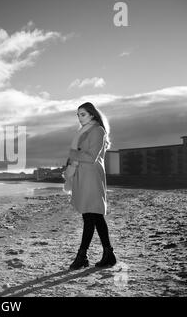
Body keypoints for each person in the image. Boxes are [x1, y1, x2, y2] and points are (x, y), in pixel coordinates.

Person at [63, 102, 116, 270]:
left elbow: (92, 156)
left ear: (92, 114)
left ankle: (82, 256)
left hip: (91, 176)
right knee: (94, 216)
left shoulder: (97, 131)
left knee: (90, 215)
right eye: (78, 115)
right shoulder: (84, 132)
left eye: (83, 114)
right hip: (83, 176)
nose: (79, 118)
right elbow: (81, 155)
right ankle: (108, 254)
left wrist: (73, 154)